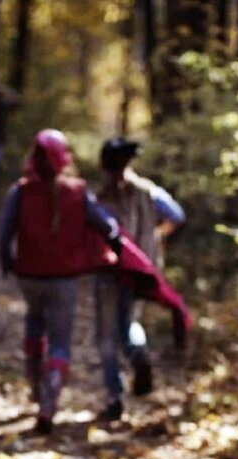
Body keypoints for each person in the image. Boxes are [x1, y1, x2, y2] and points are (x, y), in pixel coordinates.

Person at [0, 129, 123, 435]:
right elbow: (108, 226)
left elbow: (4, 234)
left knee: (34, 323)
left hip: (28, 276)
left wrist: (7, 263)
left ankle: (35, 387)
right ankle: (49, 401)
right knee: (60, 341)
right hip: (64, 279)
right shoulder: (78, 192)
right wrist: (117, 249)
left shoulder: (21, 191)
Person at [94, 136, 186, 422]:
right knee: (131, 322)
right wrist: (158, 234)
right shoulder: (149, 192)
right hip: (144, 271)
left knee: (107, 335)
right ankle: (138, 352)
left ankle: (114, 397)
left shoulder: (100, 198)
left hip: (110, 273)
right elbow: (177, 215)